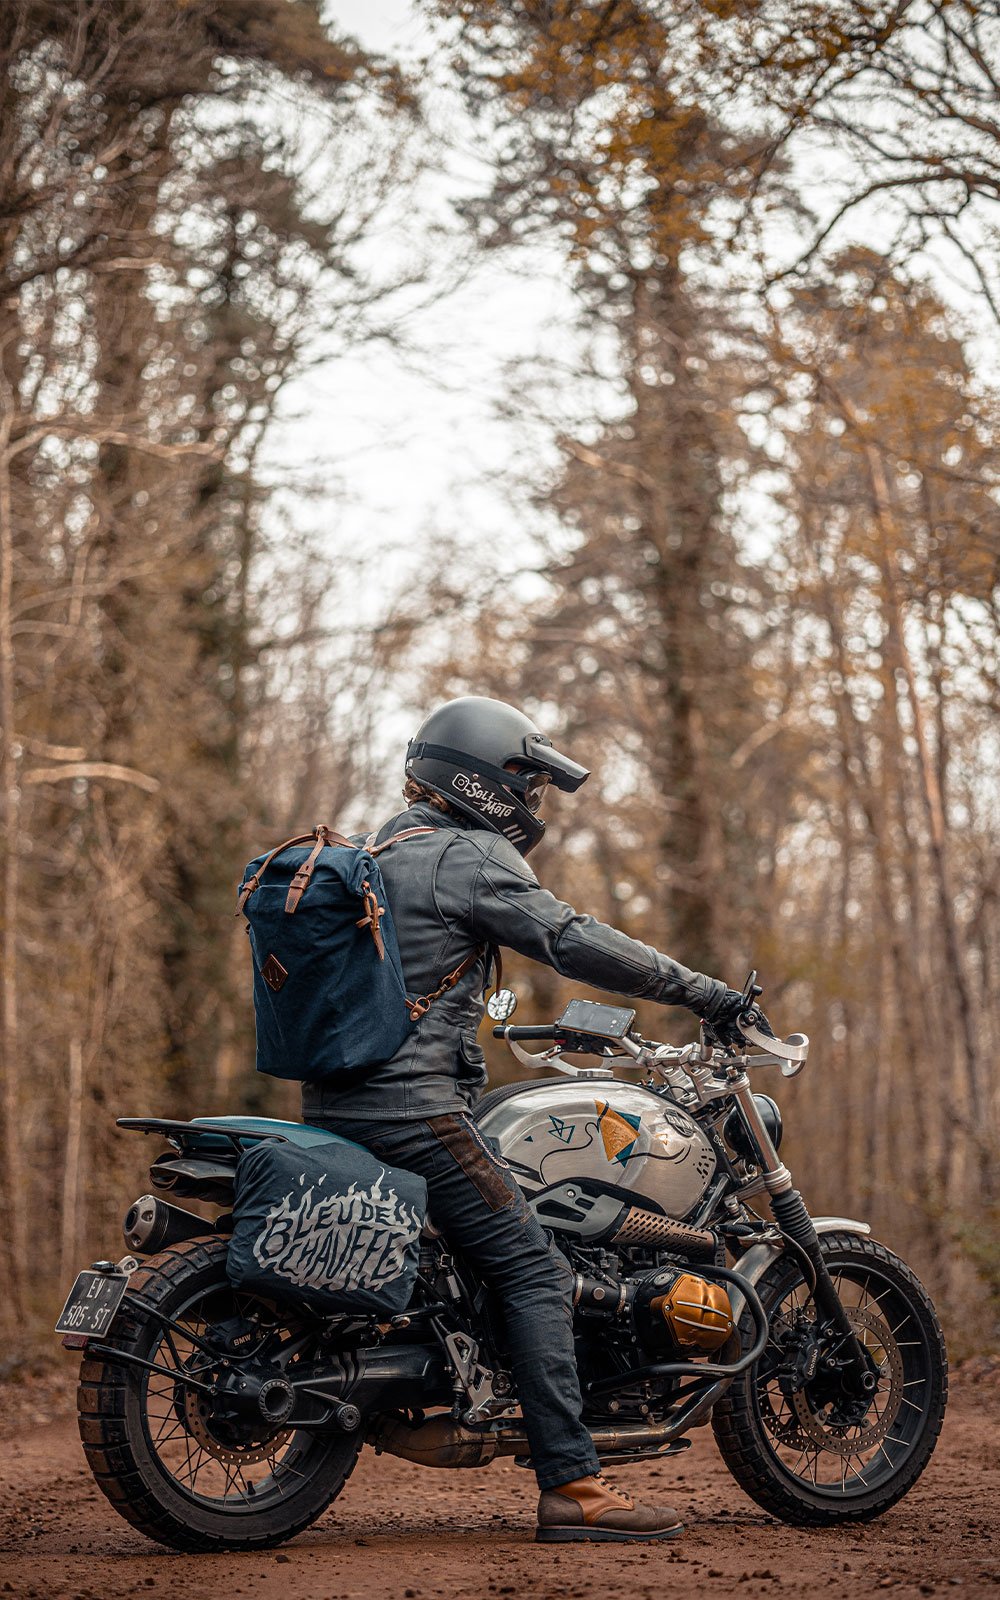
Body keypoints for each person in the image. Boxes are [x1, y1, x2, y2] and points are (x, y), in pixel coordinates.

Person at [302, 695, 769, 1543]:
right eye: (525, 778)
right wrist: (705, 993)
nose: (533, 799)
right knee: (538, 1269)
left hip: (341, 1108)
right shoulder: (464, 853)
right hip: (416, 1112)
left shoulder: (378, 850)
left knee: (490, 1239)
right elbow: (570, 936)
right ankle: (576, 1490)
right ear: (484, 779)